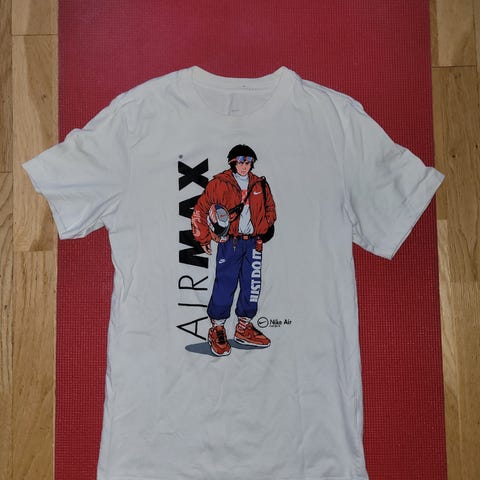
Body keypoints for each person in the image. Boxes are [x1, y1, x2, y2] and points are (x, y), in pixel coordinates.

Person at [191, 144, 276, 356]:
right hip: (230, 242)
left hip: (253, 243)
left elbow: (270, 209)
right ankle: (217, 328)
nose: (244, 165)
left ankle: (244, 327)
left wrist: (264, 226)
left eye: (248, 161)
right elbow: (201, 209)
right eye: (240, 161)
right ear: (233, 162)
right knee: (225, 284)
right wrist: (203, 237)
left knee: (251, 285)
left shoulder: (260, 184)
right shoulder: (219, 183)